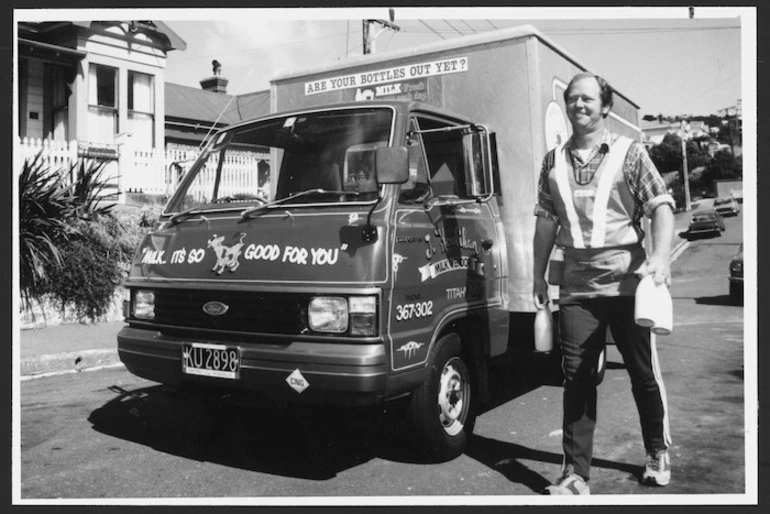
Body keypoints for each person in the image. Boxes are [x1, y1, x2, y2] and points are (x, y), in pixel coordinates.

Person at [532, 72, 675, 495]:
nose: (579, 104)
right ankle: (575, 476)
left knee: (642, 374)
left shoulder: (630, 153)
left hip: (629, 283)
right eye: (572, 98)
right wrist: (538, 275)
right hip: (576, 286)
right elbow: (544, 222)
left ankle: (656, 451)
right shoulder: (552, 161)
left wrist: (662, 258)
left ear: (605, 107)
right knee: (576, 377)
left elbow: (661, 206)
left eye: (588, 99)